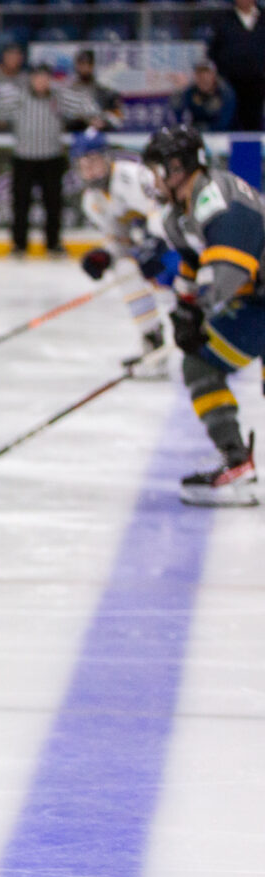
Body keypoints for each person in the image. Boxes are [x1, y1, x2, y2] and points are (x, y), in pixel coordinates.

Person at [137, 125, 261, 506]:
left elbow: (228, 273)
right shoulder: (180, 213)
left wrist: (198, 312)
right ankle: (238, 465)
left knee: (201, 364)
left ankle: (239, 466)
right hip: (257, 302)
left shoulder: (217, 199)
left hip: (256, 299)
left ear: (177, 168)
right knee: (200, 364)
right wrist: (184, 309)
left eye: (157, 169)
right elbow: (194, 265)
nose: (152, 179)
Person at [0, 63, 102, 258]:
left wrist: (94, 116)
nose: (41, 82)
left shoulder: (59, 97)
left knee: (53, 204)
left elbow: (83, 104)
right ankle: (19, 245)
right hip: (24, 159)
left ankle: (53, 244)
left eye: (45, 78)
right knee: (21, 205)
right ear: (31, 79)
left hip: (52, 158)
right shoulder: (18, 96)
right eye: (38, 78)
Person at [71, 129, 172, 378]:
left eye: (94, 161)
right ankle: (153, 342)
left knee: (175, 293)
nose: (90, 170)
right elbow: (120, 242)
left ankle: (204, 349)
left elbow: (162, 210)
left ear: (107, 158)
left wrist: (154, 241)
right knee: (124, 268)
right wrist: (105, 256)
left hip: (175, 242)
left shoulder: (131, 176)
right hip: (154, 249)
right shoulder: (92, 200)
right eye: (83, 164)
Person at [207, 0, 265, 132]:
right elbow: (213, 50)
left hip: (258, 80)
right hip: (229, 81)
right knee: (229, 118)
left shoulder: (263, 18)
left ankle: (252, 144)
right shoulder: (224, 19)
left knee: (253, 120)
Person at [168, 59, 237, 132]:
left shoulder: (225, 93)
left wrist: (206, 129)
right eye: (199, 75)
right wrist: (179, 91)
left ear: (213, 76)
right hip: (197, 131)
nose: (203, 78)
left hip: (224, 133)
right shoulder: (191, 91)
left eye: (207, 74)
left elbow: (225, 121)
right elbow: (177, 112)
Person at [67, 50, 124, 131]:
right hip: (75, 135)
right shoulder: (68, 92)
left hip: (101, 135)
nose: (85, 68)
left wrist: (104, 122)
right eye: (82, 64)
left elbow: (118, 118)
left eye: (88, 64)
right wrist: (86, 122)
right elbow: (64, 119)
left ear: (93, 66)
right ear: (76, 66)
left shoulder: (105, 91)